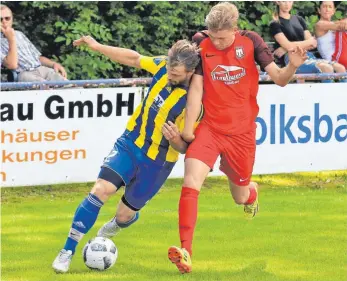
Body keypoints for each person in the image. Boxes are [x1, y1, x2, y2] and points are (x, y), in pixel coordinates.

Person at [167, 2, 307, 274]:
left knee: (239, 196)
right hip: (210, 128)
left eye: (222, 37)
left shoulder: (251, 41)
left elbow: (279, 79)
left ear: (234, 29)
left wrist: (292, 65)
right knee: (190, 181)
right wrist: (188, 131)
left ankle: (251, 193)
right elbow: (196, 90)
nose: (216, 42)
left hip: (242, 135)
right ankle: (186, 251)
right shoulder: (201, 42)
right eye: (213, 36)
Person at [52, 36, 202, 273]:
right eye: (170, 72)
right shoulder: (163, 65)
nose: (170, 76)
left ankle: (121, 222)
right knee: (101, 190)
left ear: (191, 71)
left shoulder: (194, 103)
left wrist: (176, 140)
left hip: (158, 162)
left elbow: (186, 148)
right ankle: (67, 251)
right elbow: (133, 57)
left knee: (124, 214)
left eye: (176, 75)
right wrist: (97, 46)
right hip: (130, 144)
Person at [269, 1, 335, 81]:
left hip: (308, 56)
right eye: (284, 1)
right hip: (292, 60)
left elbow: (313, 43)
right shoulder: (275, 23)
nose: (287, 4)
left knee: (340, 68)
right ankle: (326, 94)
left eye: (290, 1)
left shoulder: (299, 19)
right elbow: (289, 45)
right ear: (278, 2)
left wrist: (285, 48)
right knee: (326, 68)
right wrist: (289, 47)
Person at [0, 4, 67, 82]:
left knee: (65, 83)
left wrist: (53, 64)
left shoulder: (19, 34)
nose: (4, 22)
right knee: (45, 87)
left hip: (40, 69)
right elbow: (12, 65)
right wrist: (11, 39)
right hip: (22, 74)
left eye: (7, 18)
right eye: (0, 19)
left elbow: (37, 57)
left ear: (12, 19)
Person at [315, 1, 347, 70]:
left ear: (334, 11)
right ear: (319, 10)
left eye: (330, 7)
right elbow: (343, 26)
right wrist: (344, 21)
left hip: (340, 56)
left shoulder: (334, 24)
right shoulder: (319, 25)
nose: (327, 9)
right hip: (332, 60)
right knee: (342, 30)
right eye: (324, 6)